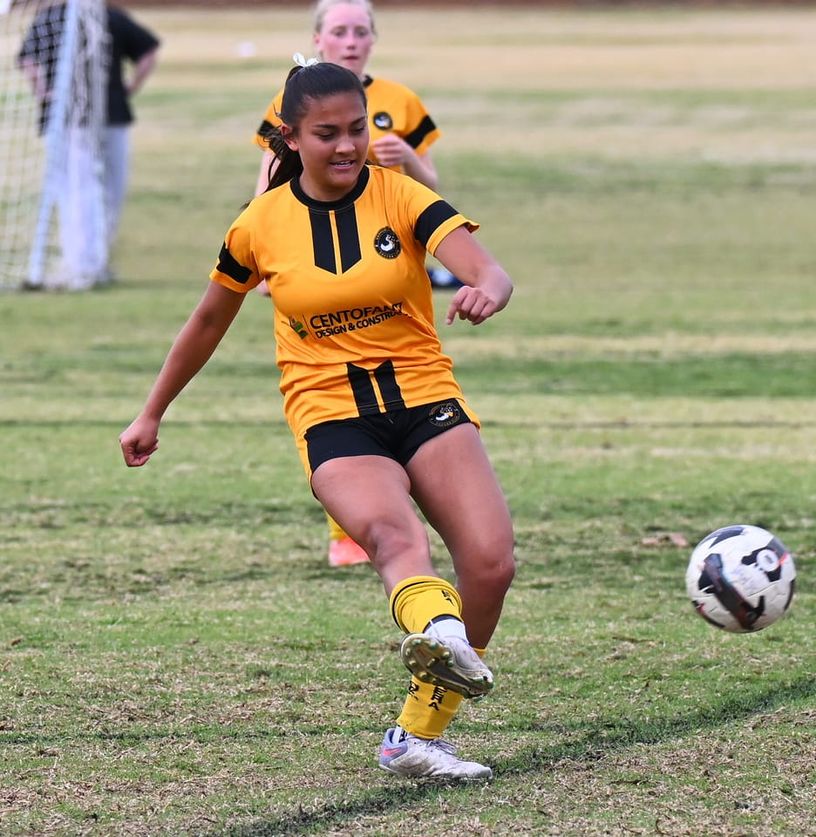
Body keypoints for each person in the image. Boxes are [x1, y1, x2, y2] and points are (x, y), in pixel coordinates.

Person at [119, 61, 516, 781]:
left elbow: (489, 269)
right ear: (290, 139)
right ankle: (438, 629)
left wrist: (488, 290)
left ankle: (417, 733)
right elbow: (209, 319)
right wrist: (152, 411)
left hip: (425, 398)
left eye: (358, 129)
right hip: (331, 413)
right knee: (392, 535)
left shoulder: (403, 196)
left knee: (491, 563)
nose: (346, 146)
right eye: (326, 134)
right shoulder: (258, 225)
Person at [253, 0, 458, 567]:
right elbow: (269, 184)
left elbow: (433, 186)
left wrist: (409, 159)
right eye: (339, 31)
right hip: (319, 263)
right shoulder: (287, 105)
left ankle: (418, 508)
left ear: (373, 39)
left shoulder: (400, 100)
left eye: (360, 31)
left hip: (391, 261)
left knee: (409, 384)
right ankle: (352, 530)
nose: (350, 40)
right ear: (317, 37)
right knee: (333, 394)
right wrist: (265, 256)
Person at [18, 1, 159, 290]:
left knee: (74, 188)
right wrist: (131, 86)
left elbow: (29, 63)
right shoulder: (110, 16)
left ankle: (81, 262)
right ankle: (93, 260)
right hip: (111, 113)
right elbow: (148, 54)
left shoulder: (49, 18)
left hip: (69, 119)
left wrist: (44, 92)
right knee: (108, 189)